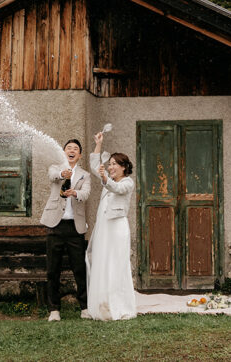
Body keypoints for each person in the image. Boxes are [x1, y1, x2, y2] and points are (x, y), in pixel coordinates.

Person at [85, 129, 137, 321]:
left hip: (117, 229)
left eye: (114, 164)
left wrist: (105, 178)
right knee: (103, 263)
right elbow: (94, 165)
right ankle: (102, 305)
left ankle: (120, 306)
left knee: (116, 265)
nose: (111, 167)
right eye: (110, 164)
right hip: (104, 228)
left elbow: (115, 187)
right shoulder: (107, 179)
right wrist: (98, 143)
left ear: (124, 167)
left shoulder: (127, 183)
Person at [40, 138, 91, 321]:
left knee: (79, 269)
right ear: (64, 152)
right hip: (55, 226)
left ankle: (84, 307)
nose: (72, 151)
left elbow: (85, 194)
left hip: (75, 228)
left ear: (79, 154)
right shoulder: (55, 168)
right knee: (53, 270)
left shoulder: (85, 175)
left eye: (75, 149)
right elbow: (53, 176)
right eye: (69, 148)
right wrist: (64, 174)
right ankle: (54, 309)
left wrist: (75, 193)